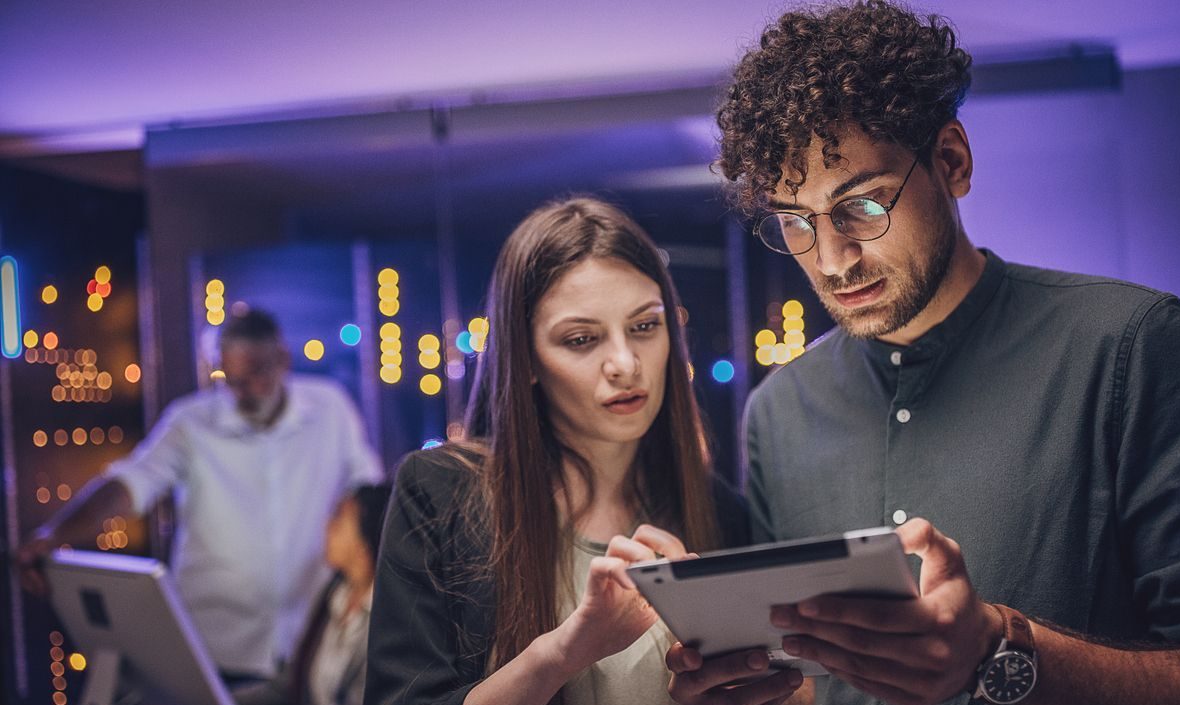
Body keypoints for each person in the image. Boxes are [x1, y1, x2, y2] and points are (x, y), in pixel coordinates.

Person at [664, 2, 1180, 705]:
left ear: (951, 161)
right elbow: (815, 685)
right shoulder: (777, 412)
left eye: (864, 204)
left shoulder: (1132, 346)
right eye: (795, 222)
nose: (832, 259)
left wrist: (996, 647)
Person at [365, 197, 768, 705]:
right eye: (581, 339)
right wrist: (564, 652)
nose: (625, 363)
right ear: (526, 359)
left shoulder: (717, 509)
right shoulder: (441, 492)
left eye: (645, 326)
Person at [17, 308, 385, 682]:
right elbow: (130, 484)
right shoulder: (190, 422)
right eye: (231, 378)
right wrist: (55, 535)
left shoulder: (331, 408)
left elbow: (367, 493)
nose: (241, 393)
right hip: (214, 649)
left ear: (282, 360)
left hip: (310, 644)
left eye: (254, 375)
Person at [235, 484, 392, 705]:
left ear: (364, 545)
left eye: (339, 518)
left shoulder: (389, 617)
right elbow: (289, 685)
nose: (327, 525)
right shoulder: (333, 595)